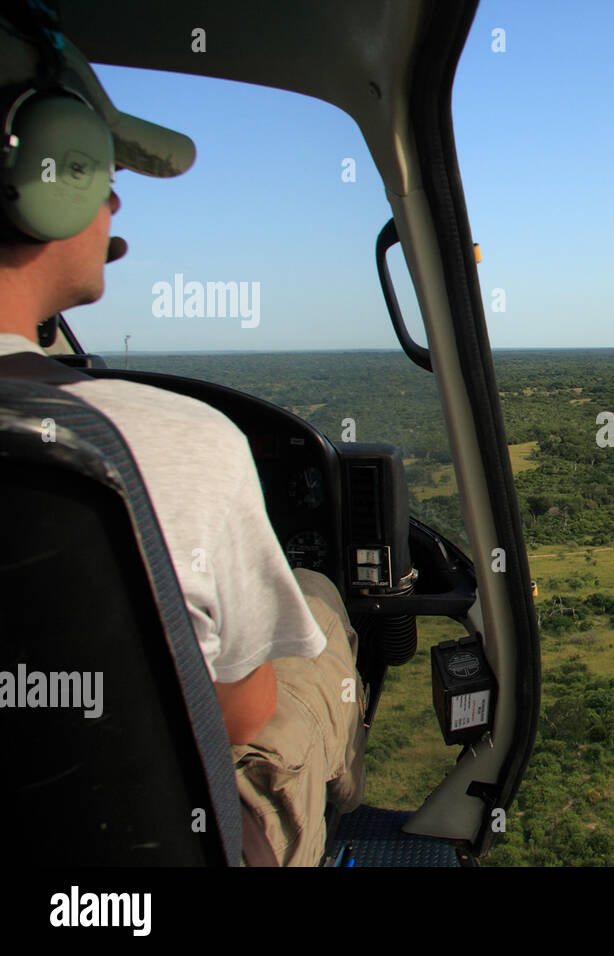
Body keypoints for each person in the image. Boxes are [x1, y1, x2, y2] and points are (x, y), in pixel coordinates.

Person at [0, 6, 365, 865]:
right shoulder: (167, 443)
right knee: (311, 611)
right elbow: (235, 711)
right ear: (50, 168)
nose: (115, 199)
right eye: (100, 167)